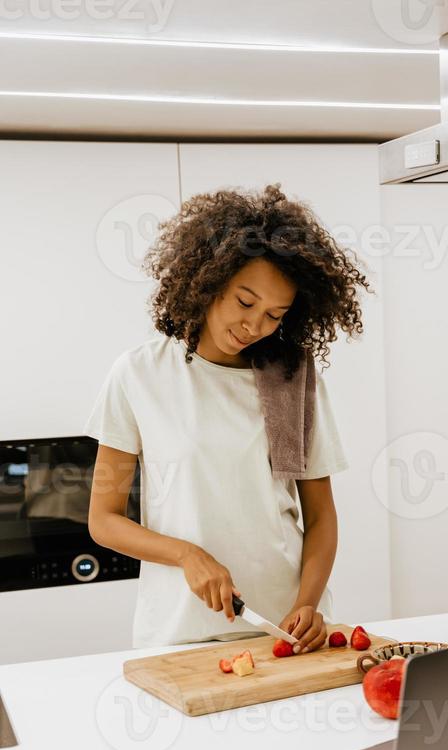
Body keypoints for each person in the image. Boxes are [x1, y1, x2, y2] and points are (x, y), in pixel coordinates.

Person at [83, 183, 372, 651]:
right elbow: (104, 519)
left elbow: (320, 516)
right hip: (180, 632)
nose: (254, 326)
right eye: (245, 302)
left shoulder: (291, 377)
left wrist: (309, 604)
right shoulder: (139, 373)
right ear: (208, 279)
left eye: (275, 314)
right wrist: (186, 555)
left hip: (282, 628)